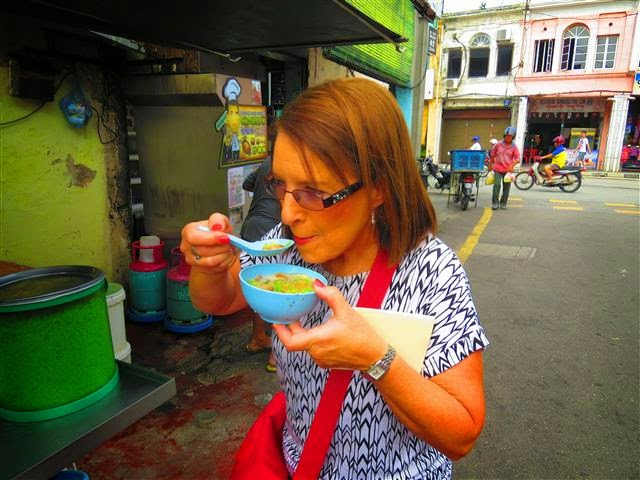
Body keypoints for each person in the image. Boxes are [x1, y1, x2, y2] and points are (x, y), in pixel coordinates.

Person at [181, 78, 488, 479]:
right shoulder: (287, 244)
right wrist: (209, 265)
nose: (288, 213)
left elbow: (461, 434)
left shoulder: (432, 272)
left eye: (312, 192)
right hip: (298, 466)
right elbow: (220, 300)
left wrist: (374, 358)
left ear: (377, 188)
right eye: (282, 185)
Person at [240, 156, 281, 372]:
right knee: (278, 290)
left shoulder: (268, 161)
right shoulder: (292, 161)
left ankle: (257, 338)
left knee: (259, 287)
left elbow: (247, 184)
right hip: (272, 234)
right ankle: (276, 356)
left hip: (251, 226)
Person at [488, 126, 520, 210]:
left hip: (508, 171)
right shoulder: (498, 144)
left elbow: (518, 158)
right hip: (498, 169)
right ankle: (495, 203)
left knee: (506, 188)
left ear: (513, 137)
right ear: (504, 135)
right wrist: (490, 165)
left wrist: (512, 166)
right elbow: (492, 155)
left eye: (510, 136)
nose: (508, 138)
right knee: (496, 185)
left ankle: (503, 203)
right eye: (507, 136)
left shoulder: (514, 146)